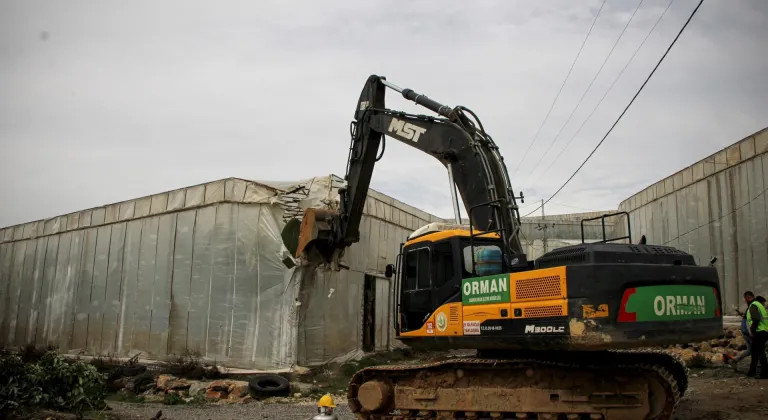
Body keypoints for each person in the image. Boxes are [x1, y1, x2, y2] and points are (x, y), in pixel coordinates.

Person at [728, 291, 755, 370]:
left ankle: (734, 360)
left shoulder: (752, 305)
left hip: (745, 328)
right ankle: (758, 367)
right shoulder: (753, 305)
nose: (746, 301)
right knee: (756, 348)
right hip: (748, 329)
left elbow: (745, 316)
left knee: (750, 350)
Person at [746, 295, 768, 379]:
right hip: (763, 331)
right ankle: (752, 371)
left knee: (760, 353)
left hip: (759, 332)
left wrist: (752, 330)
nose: (764, 304)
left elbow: (756, 319)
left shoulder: (754, 305)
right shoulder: (758, 306)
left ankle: (765, 373)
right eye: (763, 303)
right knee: (755, 352)